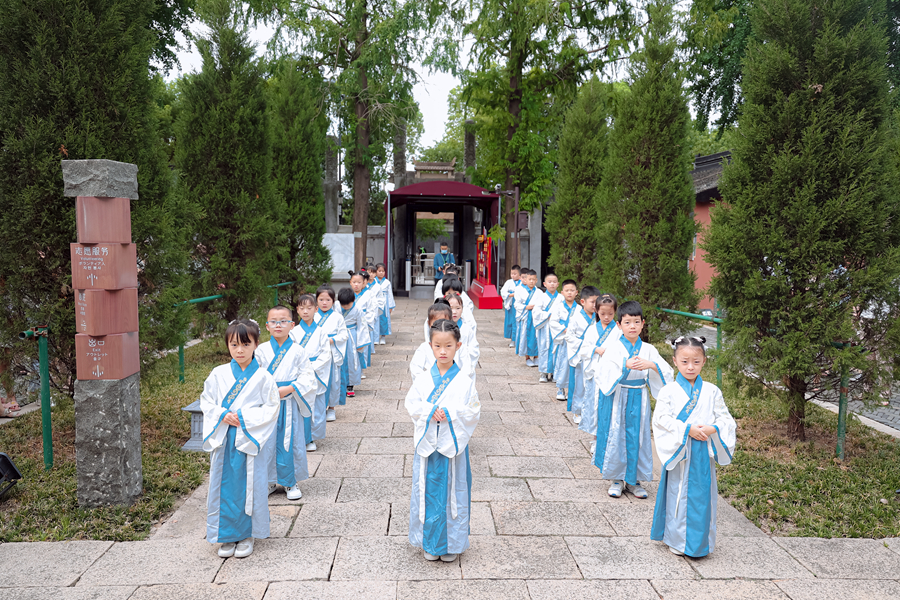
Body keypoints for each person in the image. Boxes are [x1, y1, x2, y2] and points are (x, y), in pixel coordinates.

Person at [201, 319, 279, 559]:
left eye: (246, 344)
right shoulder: (218, 374)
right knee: (222, 486)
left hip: (249, 438)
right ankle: (225, 535)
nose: (240, 350)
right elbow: (207, 400)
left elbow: (272, 406)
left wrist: (243, 417)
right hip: (224, 437)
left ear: (256, 344)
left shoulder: (264, 377)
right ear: (227, 346)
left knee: (250, 485)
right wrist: (223, 414)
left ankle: (247, 534)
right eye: (234, 345)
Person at [651, 336, 736, 557]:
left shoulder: (712, 391)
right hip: (681, 450)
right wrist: (687, 429)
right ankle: (677, 540)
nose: (691, 367)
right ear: (675, 361)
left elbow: (726, 420)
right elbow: (661, 419)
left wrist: (712, 429)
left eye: (696, 362)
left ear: (704, 362)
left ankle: (700, 542)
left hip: (703, 451)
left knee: (702, 497)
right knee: (677, 494)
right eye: (685, 361)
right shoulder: (668, 391)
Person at [406, 319, 480, 563]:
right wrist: (429, 412)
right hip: (429, 447)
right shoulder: (424, 379)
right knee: (427, 493)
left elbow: (473, 410)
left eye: (448, 346)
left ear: (458, 346)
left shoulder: (465, 381)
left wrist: (451, 413)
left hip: (453, 445)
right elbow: (412, 404)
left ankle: (452, 544)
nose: (443, 352)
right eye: (438, 346)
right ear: (431, 346)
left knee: (453, 493)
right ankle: (430, 542)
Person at [592, 300, 674, 499]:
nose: (632, 327)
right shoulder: (613, 348)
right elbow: (602, 372)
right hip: (619, 396)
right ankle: (617, 479)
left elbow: (667, 372)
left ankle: (634, 480)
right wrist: (623, 365)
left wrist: (652, 365)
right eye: (627, 322)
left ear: (643, 324)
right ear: (619, 325)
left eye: (636, 322)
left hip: (639, 398)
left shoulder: (648, 349)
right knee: (617, 436)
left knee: (637, 438)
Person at [256, 306, 316, 501]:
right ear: (267, 326)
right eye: (273, 321)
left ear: (292, 324)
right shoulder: (261, 351)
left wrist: (290, 389)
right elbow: (254, 377)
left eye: (283, 321)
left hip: (289, 403)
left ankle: (290, 482)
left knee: (288, 442)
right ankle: (269, 481)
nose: (278, 325)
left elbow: (308, 377)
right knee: (266, 443)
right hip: (267, 404)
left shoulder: (299, 351)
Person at [292, 294, 332, 452]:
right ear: (297, 310)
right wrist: (302, 368)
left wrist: (312, 366)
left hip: (316, 372)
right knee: (301, 404)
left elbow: (325, 353)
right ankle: (302, 437)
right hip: (300, 372)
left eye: (309, 308)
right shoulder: (293, 332)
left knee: (316, 406)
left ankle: (312, 437)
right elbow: (292, 353)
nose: (305, 311)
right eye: (302, 308)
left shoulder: (322, 332)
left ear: (316, 309)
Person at [579, 294, 621, 436]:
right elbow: (583, 349)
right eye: (603, 313)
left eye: (610, 313)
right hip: (595, 371)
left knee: (609, 405)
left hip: (611, 372)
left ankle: (609, 435)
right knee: (594, 405)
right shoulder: (592, 329)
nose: (607, 317)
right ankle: (594, 436)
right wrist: (595, 349)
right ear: (596, 310)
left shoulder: (618, 330)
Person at [566, 285, 601, 423]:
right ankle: (577, 411)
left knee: (592, 384)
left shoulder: (599, 318)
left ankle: (590, 410)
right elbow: (569, 336)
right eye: (592, 302)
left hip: (594, 355)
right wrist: (584, 345)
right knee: (579, 385)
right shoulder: (576, 317)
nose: (595, 305)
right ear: (583, 302)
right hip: (580, 355)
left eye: (597, 302)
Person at [314, 286, 348, 423]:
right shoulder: (313, 316)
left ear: (333, 301)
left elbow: (344, 334)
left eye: (328, 300)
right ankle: (319, 407)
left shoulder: (337, 317)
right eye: (321, 299)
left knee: (333, 381)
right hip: (317, 353)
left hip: (333, 352)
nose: (324, 303)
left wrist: (332, 340)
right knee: (318, 380)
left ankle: (332, 408)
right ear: (316, 301)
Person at [549, 279, 579, 401]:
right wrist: (564, 329)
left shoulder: (580, 309)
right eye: (567, 290)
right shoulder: (558, 307)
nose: (569, 293)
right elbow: (553, 322)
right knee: (562, 364)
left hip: (575, 342)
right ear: (562, 292)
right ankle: (560, 389)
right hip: (563, 341)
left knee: (574, 365)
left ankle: (573, 389)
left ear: (576, 292)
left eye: (572, 290)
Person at [410, 302, 454, 379]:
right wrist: (427, 381)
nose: (440, 326)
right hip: (431, 386)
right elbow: (415, 367)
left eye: (444, 322)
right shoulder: (425, 347)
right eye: (436, 323)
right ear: (429, 324)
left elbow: (467, 368)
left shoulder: (457, 346)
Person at [533, 273, 560, 382]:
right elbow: (536, 312)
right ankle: (543, 372)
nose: (552, 284)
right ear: (544, 284)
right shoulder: (541, 297)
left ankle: (554, 372)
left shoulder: (561, 298)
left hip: (556, 328)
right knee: (543, 348)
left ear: (558, 284)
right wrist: (548, 315)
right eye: (549, 281)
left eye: (554, 282)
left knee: (556, 349)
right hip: (544, 327)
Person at [338, 287, 364, 399]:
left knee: (352, 361)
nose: (344, 307)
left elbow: (362, 326)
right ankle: (339, 385)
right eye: (342, 304)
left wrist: (361, 342)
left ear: (353, 300)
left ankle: (350, 385)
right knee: (339, 360)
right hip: (339, 336)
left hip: (352, 337)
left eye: (347, 305)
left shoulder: (358, 309)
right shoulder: (335, 307)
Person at [515, 269, 544, 368]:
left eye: (533, 279)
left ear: (536, 280)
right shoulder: (519, 290)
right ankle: (527, 357)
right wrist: (525, 307)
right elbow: (516, 304)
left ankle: (536, 357)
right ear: (525, 280)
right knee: (526, 337)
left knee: (536, 337)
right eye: (529, 279)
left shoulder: (539, 292)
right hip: (526, 316)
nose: (531, 281)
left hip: (536, 317)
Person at [373, 263, 396, 345]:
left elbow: (390, 295)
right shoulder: (373, 281)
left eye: (383, 271)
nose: (381, 273)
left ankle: (383, 336)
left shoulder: (387, 282)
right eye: (379, 271)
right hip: (375, 302)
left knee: (383, 320)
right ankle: (375, 337)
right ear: (376, 272)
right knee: (375, 320)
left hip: (385, 304)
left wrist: (390, 306)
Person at [500, 265, 521, 347]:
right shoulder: (509, 282)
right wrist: (510, 294)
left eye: (515, 274)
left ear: (519, 274)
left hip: (519, 304)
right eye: (512, 273)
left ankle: (517, 339)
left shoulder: (522, 282)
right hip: (511, 304)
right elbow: (503, 291)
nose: (513, 275)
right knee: (511, 322)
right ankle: (512, 339)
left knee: (518, 322)